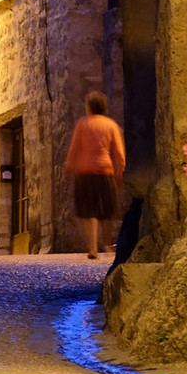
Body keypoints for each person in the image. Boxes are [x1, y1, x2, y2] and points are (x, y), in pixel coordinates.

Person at [63, 92, 126, 257]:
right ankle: (107, 245)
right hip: (105, 171)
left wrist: (68, 169)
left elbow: (74, 149)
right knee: (106, 211)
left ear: (89, 107)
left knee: (88, 211)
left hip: (85, 173)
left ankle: (92, 248)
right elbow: (119, 152)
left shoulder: (83, 124)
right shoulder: (111, 125)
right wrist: (121, 172)